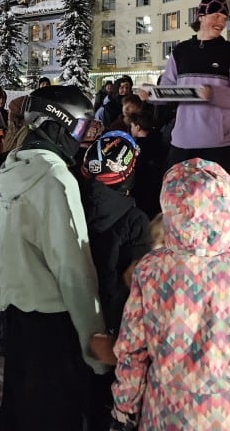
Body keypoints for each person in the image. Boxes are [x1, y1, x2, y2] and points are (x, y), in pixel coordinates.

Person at [110, 158, 230, 430]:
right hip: (227, 415)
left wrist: (125, 409)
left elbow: (132, 349)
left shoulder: (150, 270)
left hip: (163, 415)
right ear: (226, 206)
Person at [0, 85, 113, 428]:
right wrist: (94, 342)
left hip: (16, 311)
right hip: (51, 320)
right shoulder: (56, 178)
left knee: (20, 408)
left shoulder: (14, 167)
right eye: (77, 128)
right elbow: (72, 266)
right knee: (54, 413)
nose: (81, 138)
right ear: (55, 125)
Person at [79, 130, 151, 431]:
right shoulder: (135, 220)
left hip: (79, 310)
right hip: (119, 322)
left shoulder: (75, 200)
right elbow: (135, 278)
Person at [138, 0, 230, 172]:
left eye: (224, 18)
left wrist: (214, 94)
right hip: (183, 141)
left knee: (217, 199)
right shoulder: (181, 51)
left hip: (219, 144)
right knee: (177, 197)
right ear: (201, 16)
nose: (221, 23)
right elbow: (169, 88)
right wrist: (151, 93)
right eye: (216, 16)